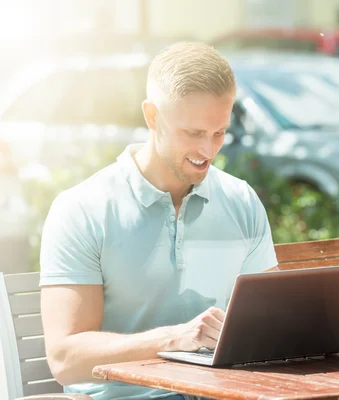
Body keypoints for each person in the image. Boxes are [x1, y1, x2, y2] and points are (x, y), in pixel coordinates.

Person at [39, 42, 278, 400]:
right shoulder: (82, 209)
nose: (208, 151)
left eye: (219, 133)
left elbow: (271, 322)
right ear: (152, 117)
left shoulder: (241, 201)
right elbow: (65, 358)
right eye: (193, 133)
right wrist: (175, 339)